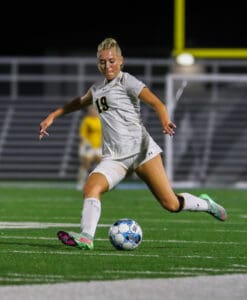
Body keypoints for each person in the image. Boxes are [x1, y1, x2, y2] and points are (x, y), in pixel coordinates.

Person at [39, 37, 227, 251]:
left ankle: (206, 204)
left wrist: (164, 120)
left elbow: (157, 102)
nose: (107, 65)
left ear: (121, 61)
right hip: (114, 158)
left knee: (171, 204)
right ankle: (86, 237)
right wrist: (53, 116)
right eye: (102, 62)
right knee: (91, 187)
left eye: (111, 61)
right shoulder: (97, 89)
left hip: (142, 152)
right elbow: (79, 102)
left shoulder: (127, 80)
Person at [76, 105, 102, 190]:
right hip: (88, 147)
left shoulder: (100, 120)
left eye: (94, 110)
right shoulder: (86, 121)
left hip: (98, 147)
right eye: (91, 110)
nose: (93, 111)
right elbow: (82, 135)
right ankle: (81, 183)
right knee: (85, 164)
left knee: (102, 164)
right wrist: (87, 144)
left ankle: (97, 182)